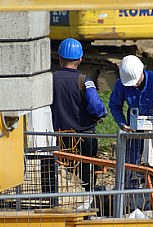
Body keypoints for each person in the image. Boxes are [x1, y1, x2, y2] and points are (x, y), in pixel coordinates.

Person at [109, 55, 153, 184]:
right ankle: (128, 191)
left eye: (136, 81)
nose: (134, 86)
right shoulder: (121, 84)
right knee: (130, 164)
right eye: (131, 83)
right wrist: (123, 124)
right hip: (134, 131)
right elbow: (114, 105)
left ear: (142, 72)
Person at [51, 38, 107, 192]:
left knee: (61, 176)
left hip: (59, 137)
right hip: (85, 138)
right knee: (86, 176)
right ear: (80, 60)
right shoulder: (84, 81)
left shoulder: (50, 80)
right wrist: (100, 113)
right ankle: (86, 203)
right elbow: (97, 107)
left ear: (60, 58)